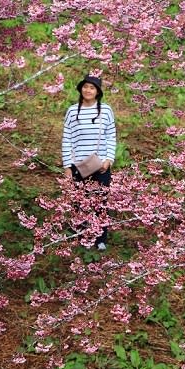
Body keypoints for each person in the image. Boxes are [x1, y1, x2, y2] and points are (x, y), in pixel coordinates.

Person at [61, 75, 116, 250]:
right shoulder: (72, 111)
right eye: (85, 87)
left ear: (98, 92)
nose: (88, 90)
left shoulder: (106, 110)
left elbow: (111, 136)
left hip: (100, 165)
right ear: (80, 89)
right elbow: (67, 138)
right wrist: (67, 165)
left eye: (92, 88)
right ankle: (82, 235)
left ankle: (101, 238)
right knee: (79, 201)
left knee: (100, 201)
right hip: (78, 164)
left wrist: (109, 159)